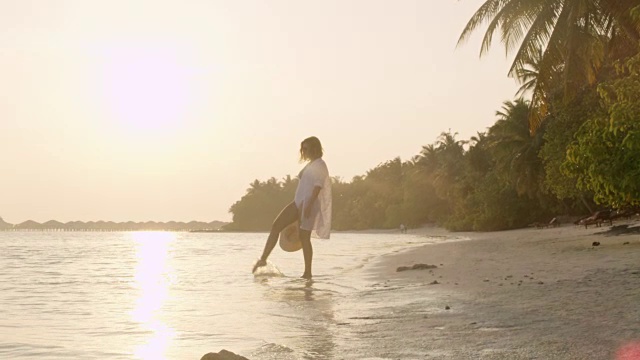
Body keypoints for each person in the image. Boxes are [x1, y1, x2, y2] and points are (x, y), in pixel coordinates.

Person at [252, 136, 332, 279]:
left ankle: (308, 273)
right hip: (297, 201)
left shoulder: (320, 164)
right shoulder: (311, 164)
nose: (303, 151)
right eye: (302, 149)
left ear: (314, 148)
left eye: (306, 148)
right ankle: (263, 259)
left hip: (309, 204)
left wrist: (309, 205)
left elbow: (318, 186)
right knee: (276, 226)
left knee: (305, 237)